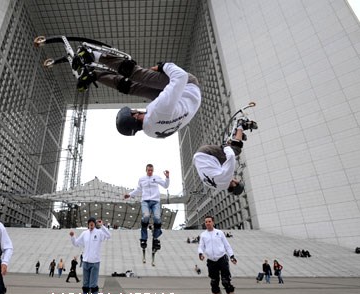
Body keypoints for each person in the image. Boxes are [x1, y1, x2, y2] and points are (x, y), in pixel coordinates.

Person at [72, 47, 201, 138]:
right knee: (137, 75)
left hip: (177, 104)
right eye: (134, 111)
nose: (137, 110)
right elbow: (181, 77)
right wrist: (163, 66)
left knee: (130, 88)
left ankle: (94, 75)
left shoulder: (150, 132)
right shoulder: (159, 109)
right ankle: (91, 54)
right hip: (188, 85)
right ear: (135, 116)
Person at [193, 117, 257, 196]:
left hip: (207, 153)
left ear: (234, 185)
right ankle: (236, 137)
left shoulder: (226, 179)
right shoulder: (218, 186)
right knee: (224, 160)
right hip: (198, 158)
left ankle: (241, 125)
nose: (235, 179)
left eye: (237, 181)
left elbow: (231, 156)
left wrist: (226, 146)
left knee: (236, 150)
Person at [198, 215, 240, 294]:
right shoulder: (203, 235)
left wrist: (232, 256)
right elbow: (201, 246)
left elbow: (227, 245)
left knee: (226, 282)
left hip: (222, 259)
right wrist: (201, 254)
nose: (207, 223)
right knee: (214, 284)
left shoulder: (219, 233)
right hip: (211, 261)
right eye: (206, 222)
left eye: (209, 221)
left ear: (213, 222)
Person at [69, 217, 111, 294]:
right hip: (86, 262)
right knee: (85, 286)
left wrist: (102, 226)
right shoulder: (84, 233)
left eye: (93, 223)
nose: (91, 225)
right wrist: (72, 236)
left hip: (95, 262)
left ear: (94, 224)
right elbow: (76, 243)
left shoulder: (99, 232)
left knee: (93, 286)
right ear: (88, 224)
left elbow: (109, 236)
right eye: (90, 223)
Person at [124, 164, 169, 253]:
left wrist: (167, 177)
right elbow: (138, 190)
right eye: (148, 170)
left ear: (153, 170)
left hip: (155, 201)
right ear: (146, 170)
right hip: (145, 201)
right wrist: (130, 194)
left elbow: (165, 185)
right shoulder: (142, 179)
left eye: (151, 170)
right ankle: (143, 238)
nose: (150, 172)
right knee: (146, 216)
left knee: (157, 217)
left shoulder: (156, 177)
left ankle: (156, 236)